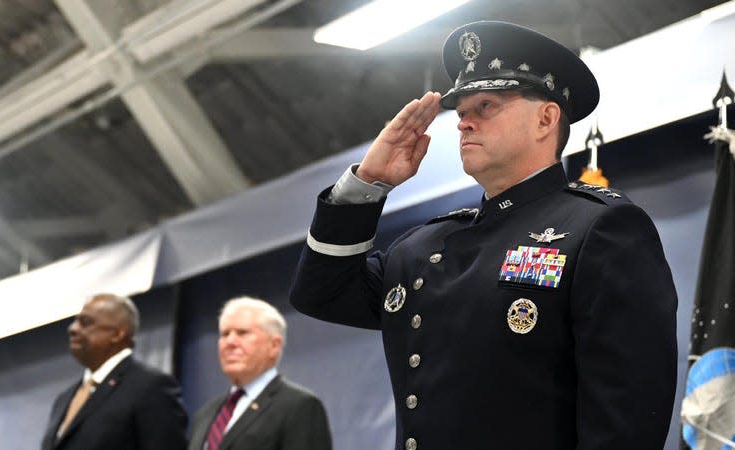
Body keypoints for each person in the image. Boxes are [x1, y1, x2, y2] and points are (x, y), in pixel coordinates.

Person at [289, 20, 678, 450]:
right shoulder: (426, 245)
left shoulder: (597, 229)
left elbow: (626, 422)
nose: (463, 124)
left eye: (486, 107)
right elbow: (320, 293)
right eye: (461, 113)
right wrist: (367, 183)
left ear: (546, 119)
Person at [41, 293, 188, 450]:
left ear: (117, 334)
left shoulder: (150, 387)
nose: (72, 329)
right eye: (75, 322)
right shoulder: (64, 399)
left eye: (85, 322)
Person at [187, 296, 332, 450]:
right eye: (225, 334)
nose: (230, 342)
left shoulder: (299, 406)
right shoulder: (204, 415)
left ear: (274, 345)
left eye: (242, 333)